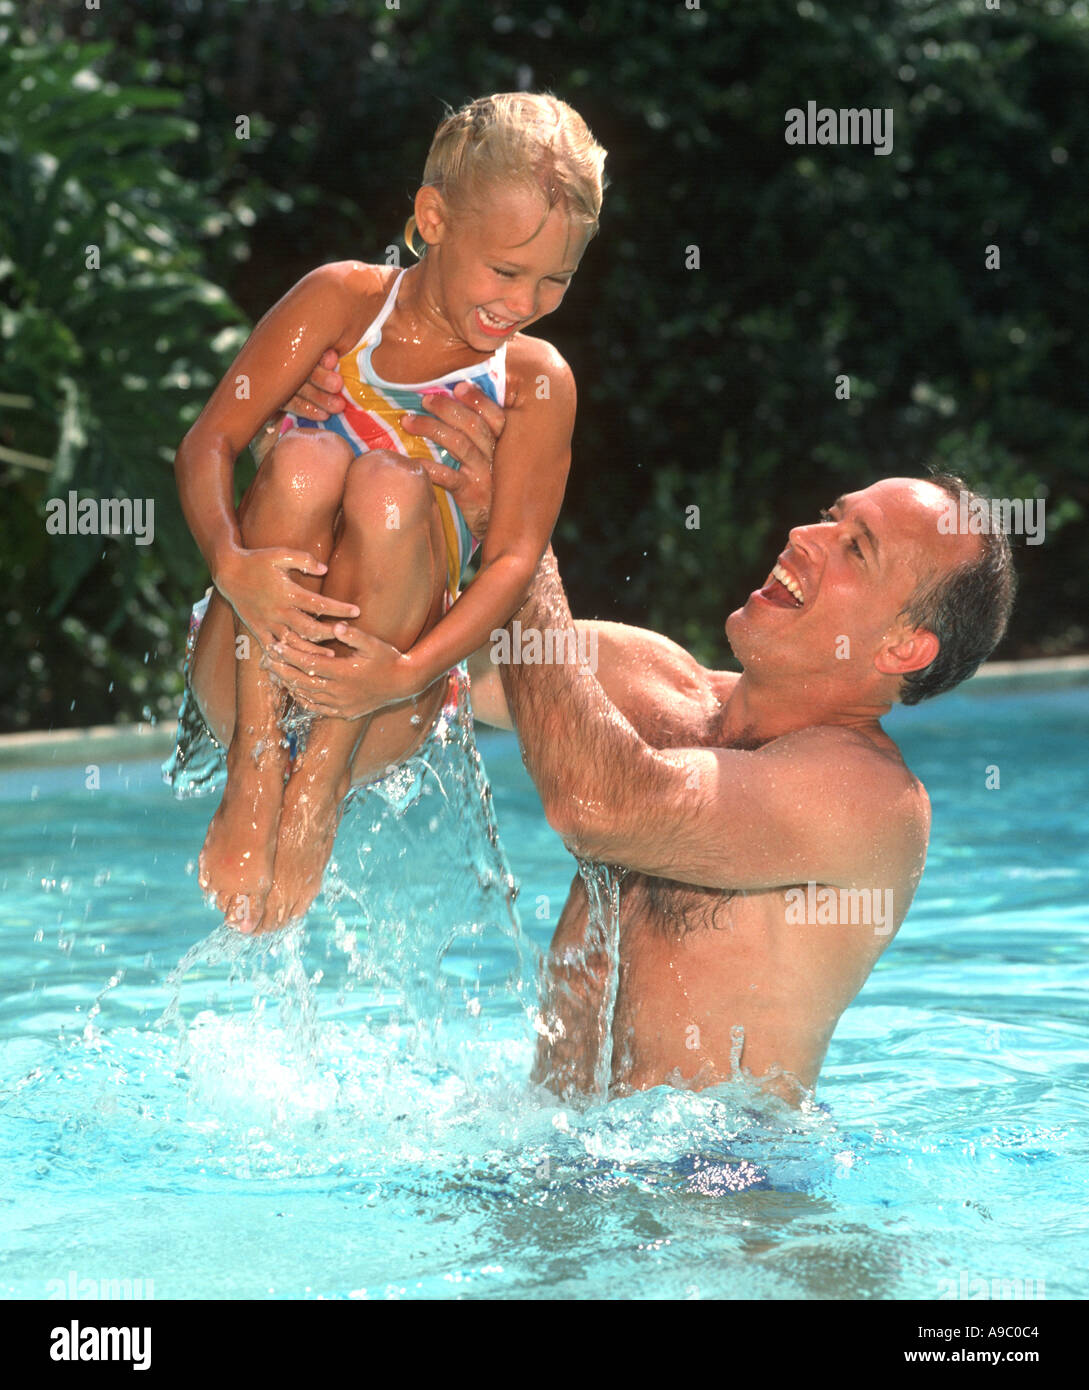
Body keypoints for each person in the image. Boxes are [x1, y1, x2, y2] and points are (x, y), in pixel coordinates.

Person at [268, 377, 1016, 1103]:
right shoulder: (645, 677)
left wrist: (519, 541)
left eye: (856, 549)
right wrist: (339, 446)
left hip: (721, 1192)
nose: (805, 535)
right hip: (549, 1161)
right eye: (829, 514)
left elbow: (600, 806)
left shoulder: (870, 802)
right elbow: (393, 670)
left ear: (901, 649)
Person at [164, 93, 606, 934]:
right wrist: (231, 565)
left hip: (382, 703)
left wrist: (407, 675)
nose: (526, 301)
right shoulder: (341, 301)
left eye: (557, 279)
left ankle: (319, 781)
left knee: (392, 486)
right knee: (301, 462)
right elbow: (208, 443)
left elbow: (513, 561)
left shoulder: (536, 381)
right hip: (249, 655)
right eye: (507, 270)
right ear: (432, 218)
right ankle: (256, 771)